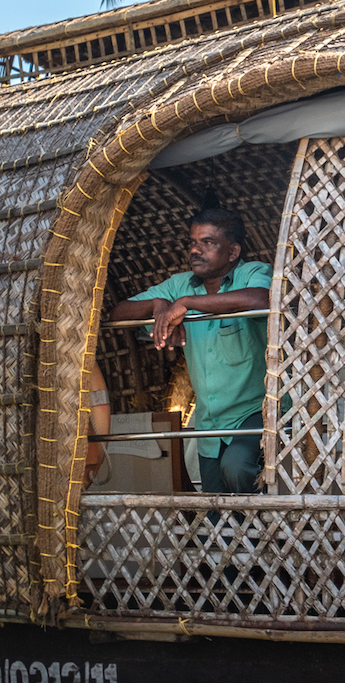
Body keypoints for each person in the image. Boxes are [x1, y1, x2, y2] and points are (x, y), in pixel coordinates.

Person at [108, 208, 270, 494]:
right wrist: (157, 305)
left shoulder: (252, 272)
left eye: (207, 243)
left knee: (237, 467)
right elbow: (117, 314)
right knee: (216, 512)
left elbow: (261, 299)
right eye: (192, 242)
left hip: (257, 412)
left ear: (233, 252)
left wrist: (187, 303)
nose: (195, 250)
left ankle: (271, 536)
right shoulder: (178, 284)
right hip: (209, 423)